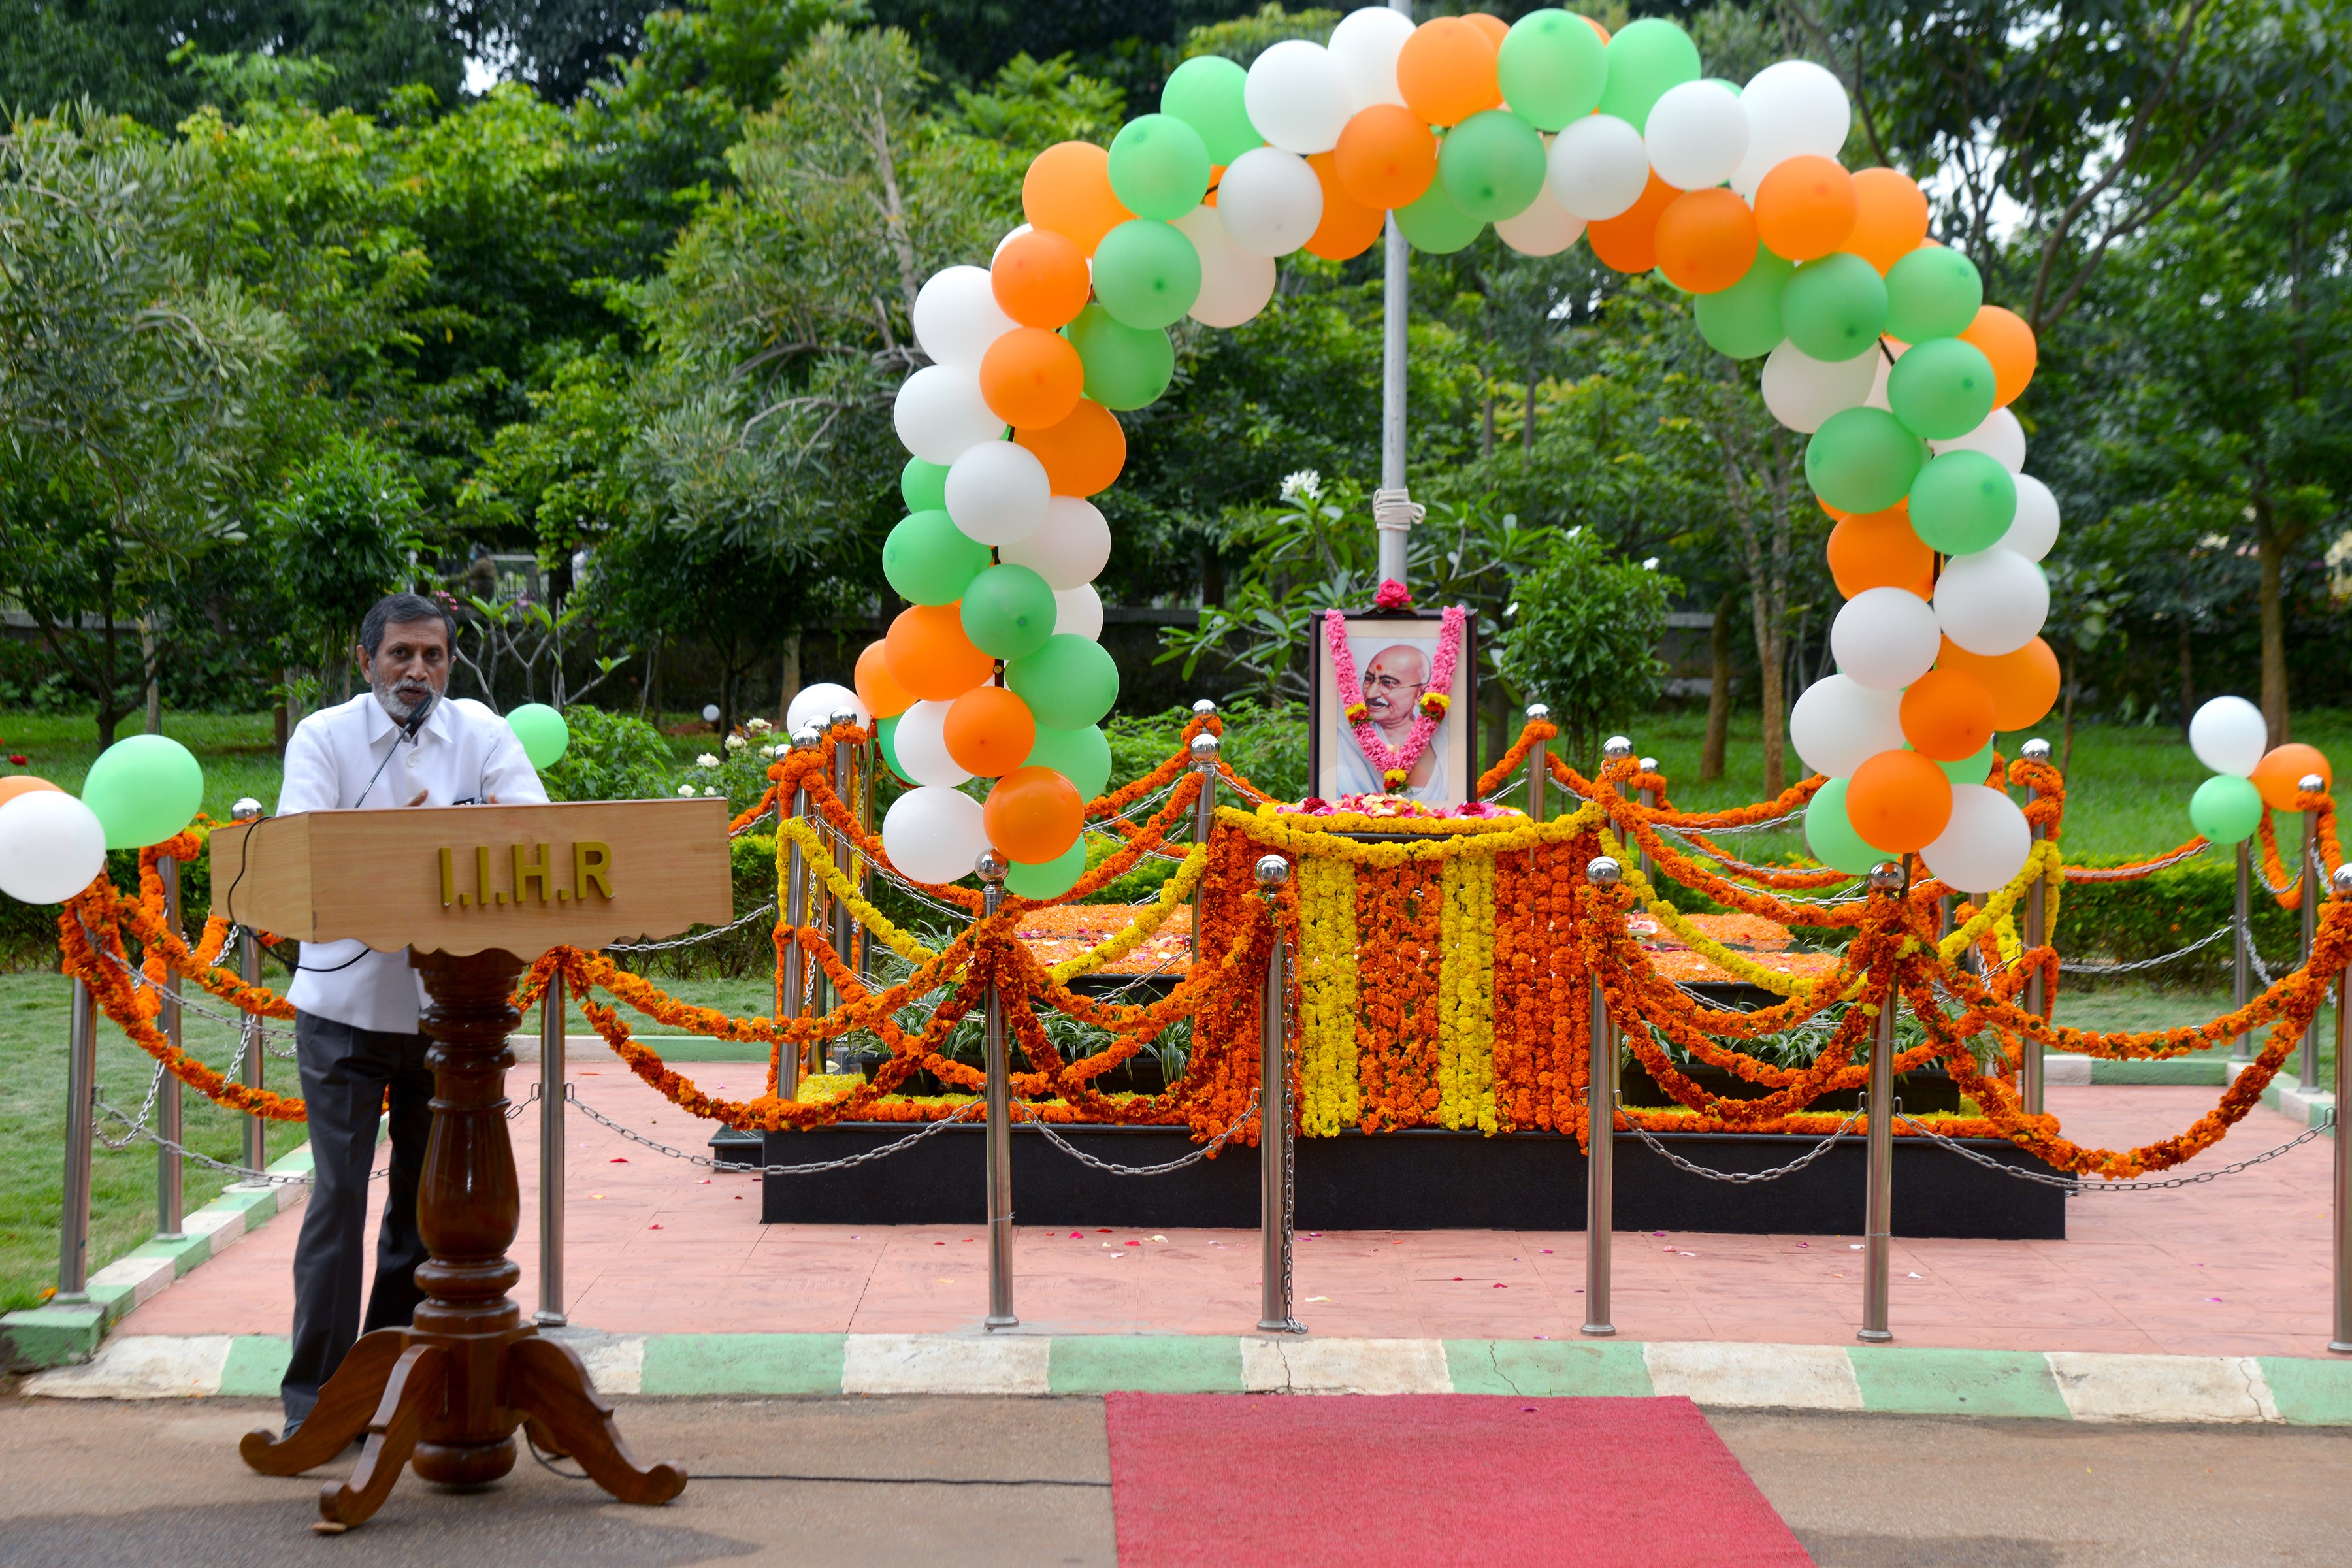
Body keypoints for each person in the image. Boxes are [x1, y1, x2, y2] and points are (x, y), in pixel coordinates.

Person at [272, 592, 547, 1439]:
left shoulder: (482, 733)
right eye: (400, 656)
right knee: (340, 1200)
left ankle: (391, 1383)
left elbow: (532, 829)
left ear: (450, 665)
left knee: (422, 1216)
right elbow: (302, 849)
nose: (416, 672)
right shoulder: (325, 736)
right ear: (366, 663)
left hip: (450, 1019)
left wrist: (463, 833)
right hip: (343, 1010)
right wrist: (399, 836)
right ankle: (316, 1406)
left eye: (432, 656)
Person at [1336, 641, 1450, 801]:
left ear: (1421, 694)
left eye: (1388, 683)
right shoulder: (1342, 738)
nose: (1371, 694)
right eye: (1368, 680)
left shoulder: (1446, 742)